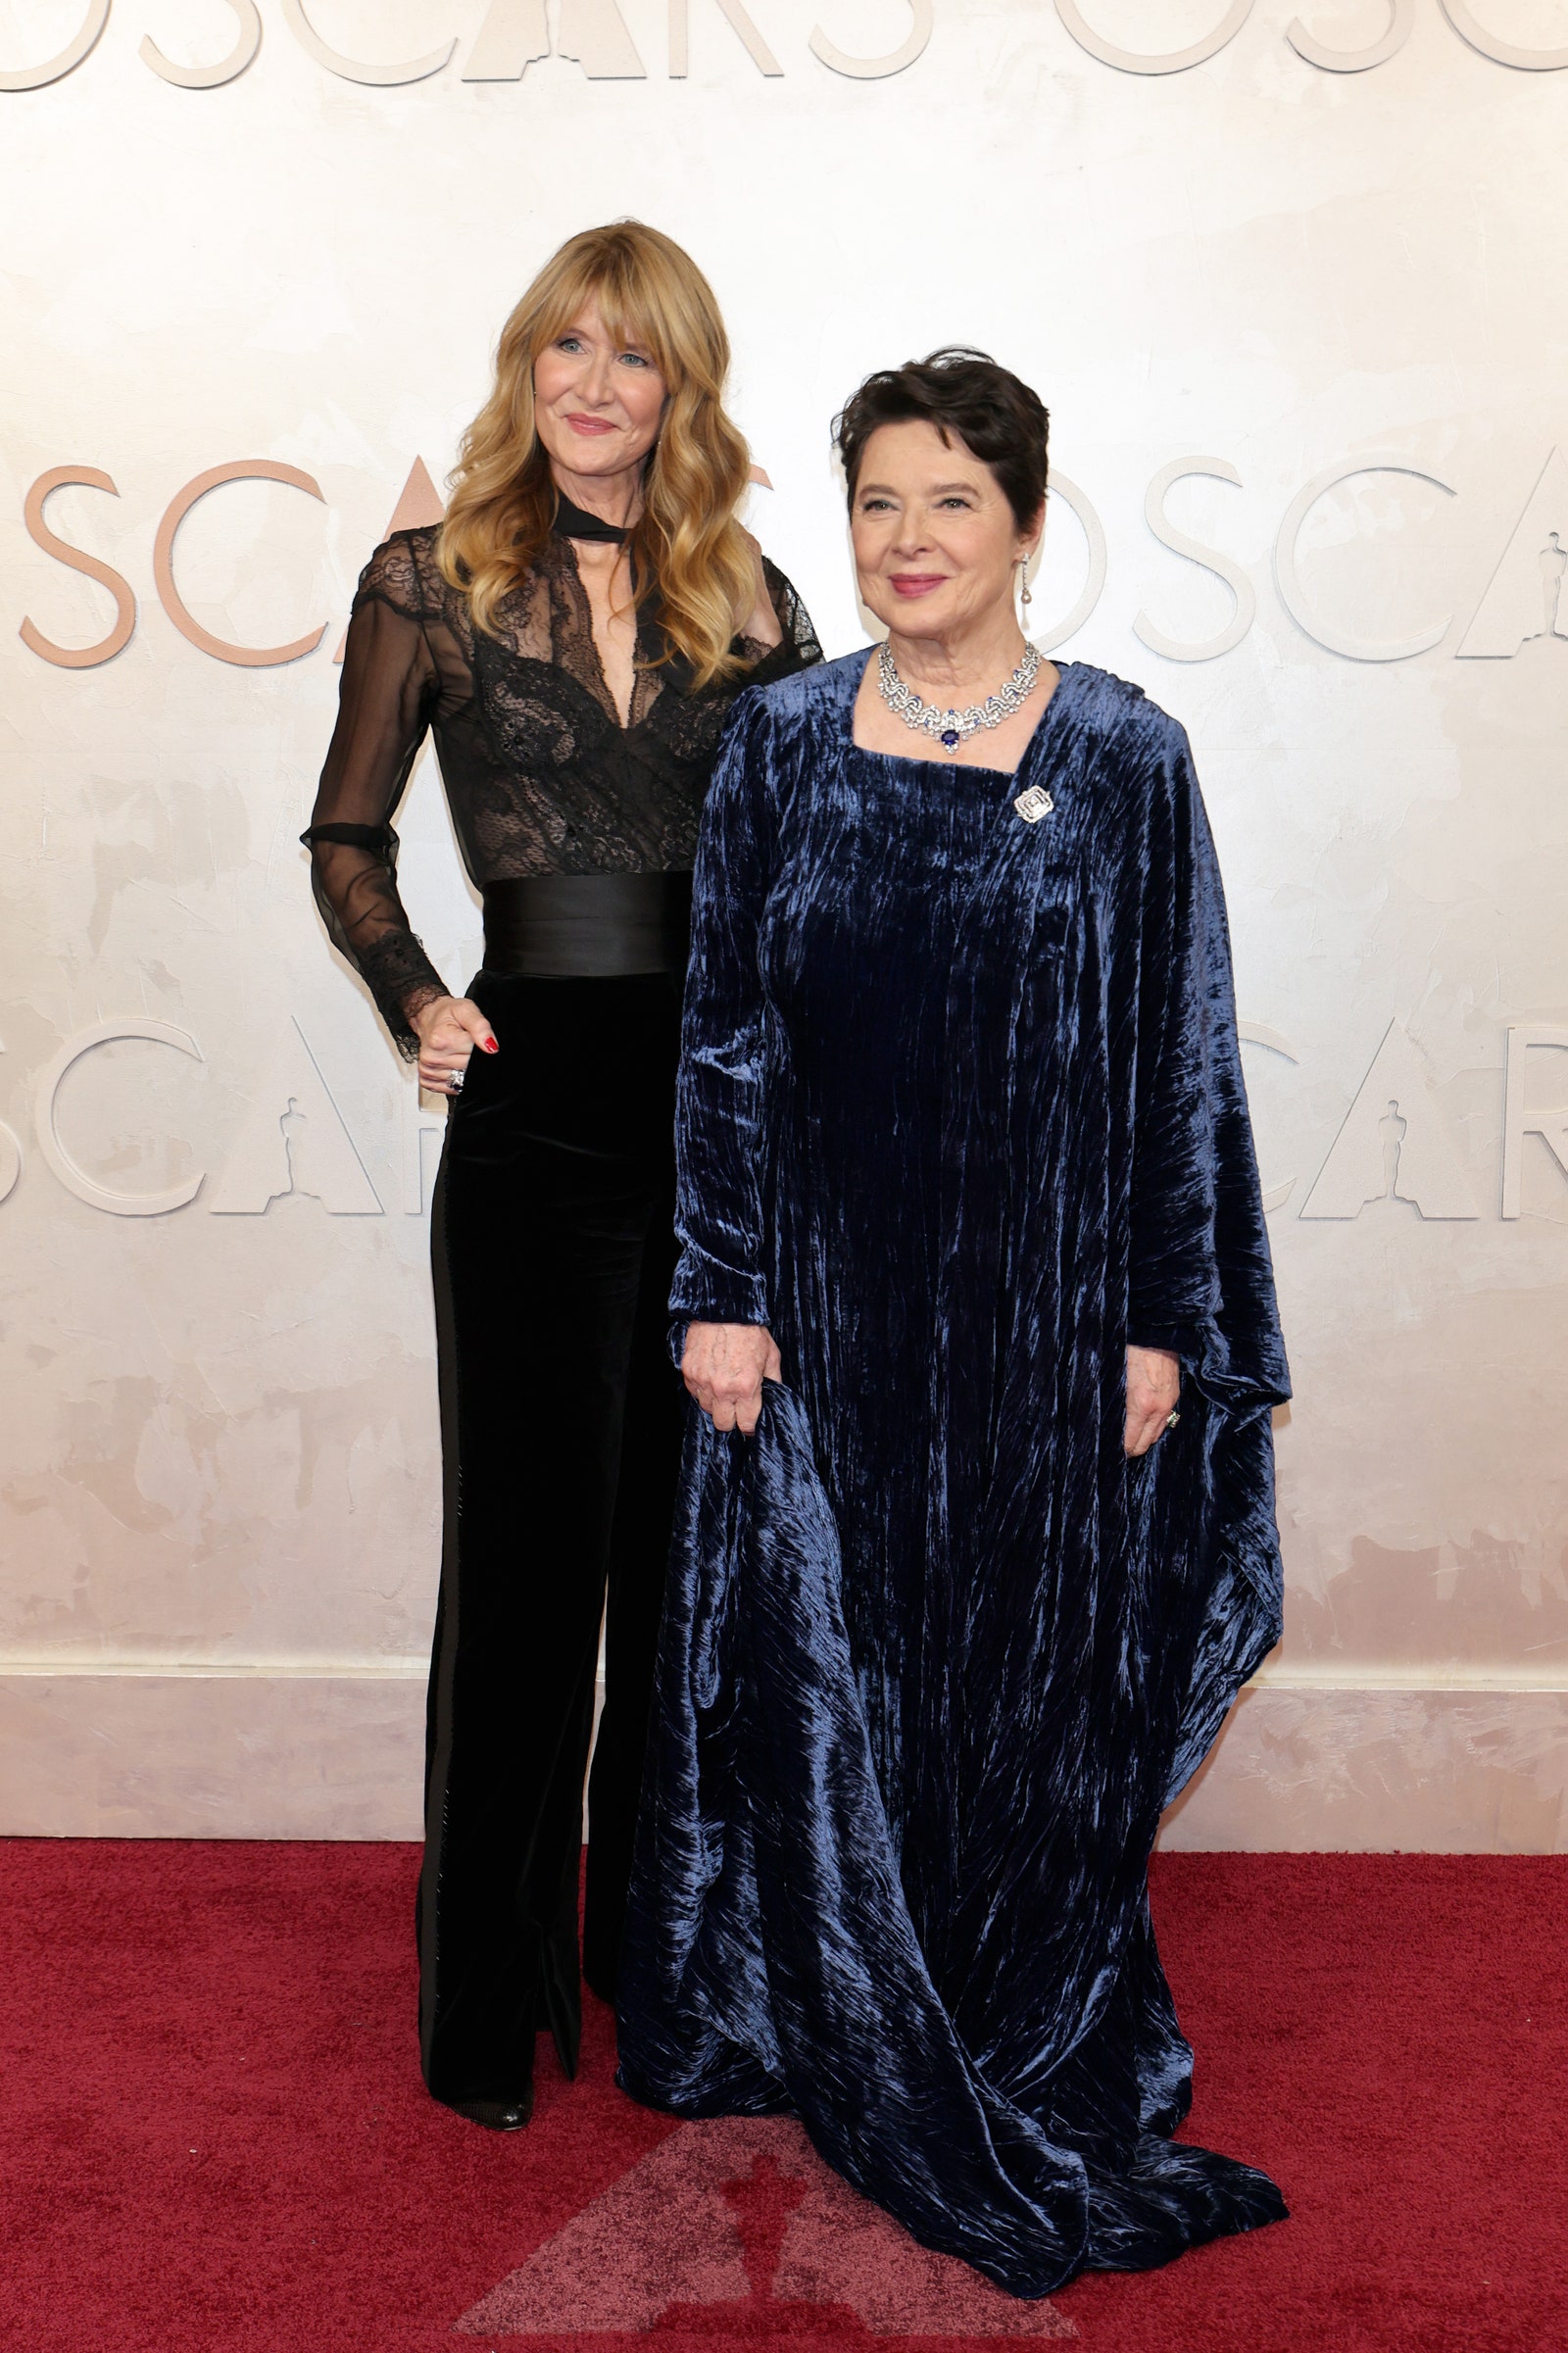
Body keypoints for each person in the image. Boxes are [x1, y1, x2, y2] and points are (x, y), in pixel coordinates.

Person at [616, 349, 1291, 2294]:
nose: (907, 542)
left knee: (1022, 1691)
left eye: (948, 503)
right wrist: (718, 1287)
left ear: (1023, 518)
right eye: (876, 504)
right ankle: (830, 2008)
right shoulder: (780, 743)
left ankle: (1003, 2025)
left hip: (1043, 1308)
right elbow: (724, 1036)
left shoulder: (1129, 758)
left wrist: (1161, 1315)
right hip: (818, 1310)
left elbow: (1177, 1062)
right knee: (834, 1678)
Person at [303, 223, 820, 2133]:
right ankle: (484, 1993)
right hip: (531, 1122)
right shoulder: (431, 581)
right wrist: (414, 992)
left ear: (679, 390)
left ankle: (655, 1959)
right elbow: (346, 829)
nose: (595, 387)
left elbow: (813, 859)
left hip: (712, 1126)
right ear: (528, 368)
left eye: (636, 360)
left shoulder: (750, 594)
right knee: (523, 1575)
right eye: (565, 350)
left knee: (679, 1578)